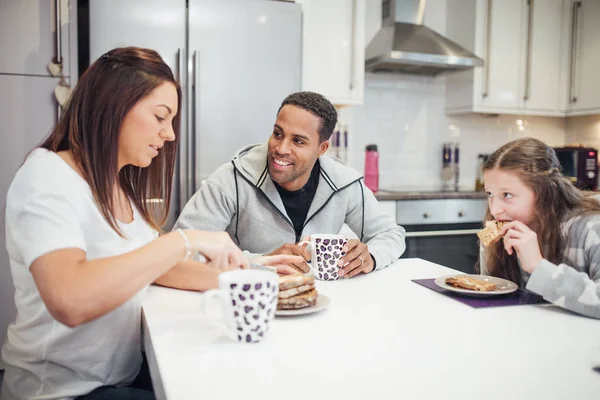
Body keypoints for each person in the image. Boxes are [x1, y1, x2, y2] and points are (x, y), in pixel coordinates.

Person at [0, 47, 300, 400]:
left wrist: (256, 277)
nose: (171, 134)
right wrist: (182, 240)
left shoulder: (118, 188)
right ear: (113, 105)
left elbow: (157, 269)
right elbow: (70, 299)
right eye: (160, 117)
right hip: (61, 392)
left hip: (118, 377)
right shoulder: (48, 175)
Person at [174, 91, 406, 278]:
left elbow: (391, 234)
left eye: (298, 141)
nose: (281, 148)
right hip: (250, 305)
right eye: (277, 133)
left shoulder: (344, 183)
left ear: (321, 149)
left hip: (319, 308)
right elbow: (180, 250)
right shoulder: (229, 180)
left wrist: (371, 257)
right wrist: (261, 262)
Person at [479, 137, 600, 319]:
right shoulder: (498, 231)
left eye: (507, 194)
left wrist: (538, 266)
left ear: (545, 191)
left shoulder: (591, 228)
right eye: (490, 194)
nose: (495, 209)